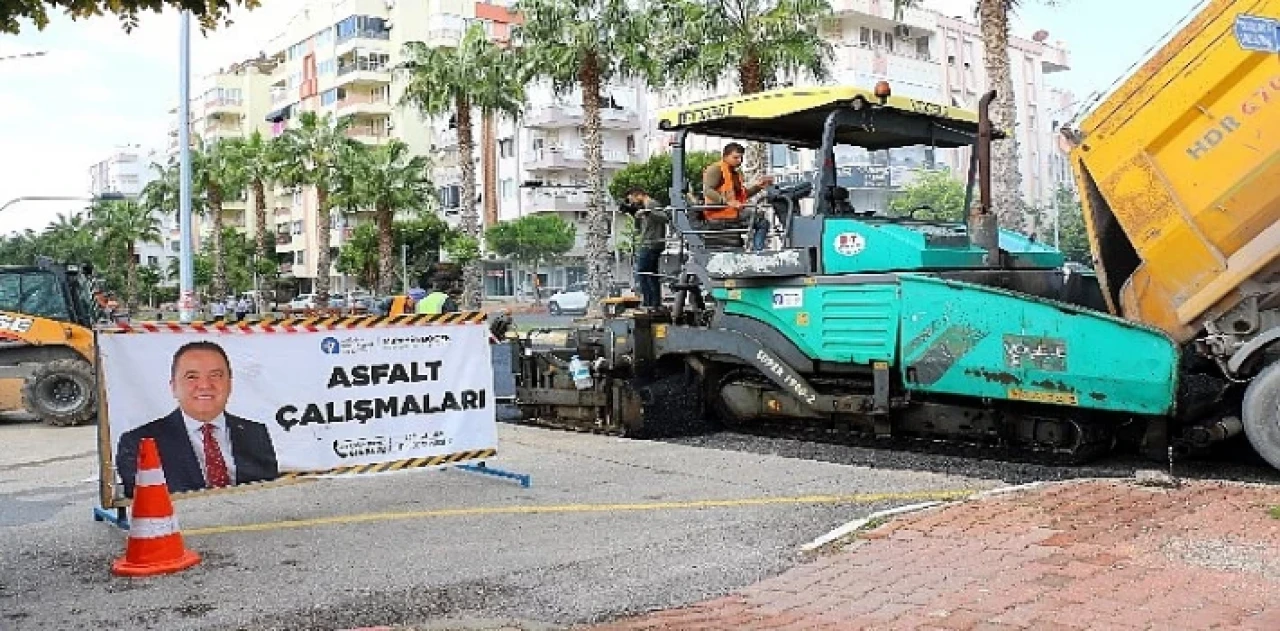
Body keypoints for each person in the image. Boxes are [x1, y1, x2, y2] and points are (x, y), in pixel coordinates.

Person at [115, 340, 279, 497]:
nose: (205, 385)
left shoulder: (256, 433)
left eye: (215, 375)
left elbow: (268, 496)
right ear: (173, 387)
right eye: (192, 377)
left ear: (230, 384)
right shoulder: (139, 443)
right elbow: (145, 511)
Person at [701, 142, 774, 251]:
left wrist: (759, 187)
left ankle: (756, 249)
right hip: (719, 214)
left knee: (760, 218)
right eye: (735, 157)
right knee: (761, 222)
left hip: (732, 212)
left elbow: (742, 195)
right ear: (725, 156)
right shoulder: (716, 169)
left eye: (741, 157)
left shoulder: (734, 174)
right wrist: (726, 202)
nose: (739, 161)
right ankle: (758, 251)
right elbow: (707, 190)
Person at [625, 187, 669, 309]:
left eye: (632, 199)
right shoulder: (644, 207)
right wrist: (636, 216)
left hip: (651, 244)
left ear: (639, 195)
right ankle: (654, 303)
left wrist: (648, 212)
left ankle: (649, 303)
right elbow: (639, 229)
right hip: (648, 243)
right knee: (651, 274)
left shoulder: (652, 204)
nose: (633, 203)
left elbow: (665, 218)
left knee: (643, 273)